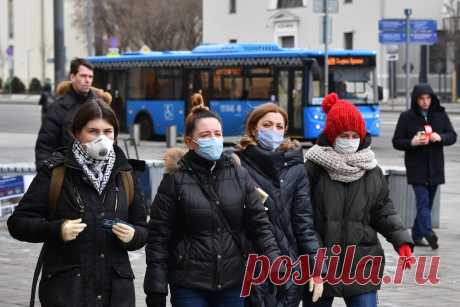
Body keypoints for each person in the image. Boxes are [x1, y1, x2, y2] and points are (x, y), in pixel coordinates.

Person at [8, 99, 148, 307]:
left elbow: (143, 229)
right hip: (67, 292)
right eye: (93, 131)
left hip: (115, 293)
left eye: (108, 131)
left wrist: (134, 236)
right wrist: (57, 229)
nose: (102, 138)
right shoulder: (56, 171)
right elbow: (18, 223)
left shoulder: (125, 173)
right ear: (76, 133)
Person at [144, 94, 280, 307]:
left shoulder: (238, 174)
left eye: (218, 134)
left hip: (233, 281)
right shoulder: (174, 180)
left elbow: (259, 224)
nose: (214, 139)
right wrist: (156, 287)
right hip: (189, 283)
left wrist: (273, 258)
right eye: (206, 135)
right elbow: (158, 239)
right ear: (190, 142)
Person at [303, 93, 414, 307]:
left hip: (362, 261)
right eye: (344, 135)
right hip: (321, 262)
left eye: (355, 135)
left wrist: (401, 241)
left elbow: (383, 210)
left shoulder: (372, 171)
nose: (350, 141)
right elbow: (303, 218)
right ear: (332, 134)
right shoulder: (312, 169)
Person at [235, 103, 323, 306]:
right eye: (267, 124)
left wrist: (317, 269)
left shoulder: (295, 167)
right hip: (249, 263)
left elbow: (303, 223)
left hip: (288, 265)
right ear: (254, 128)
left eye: (279, 126)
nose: (273, 130)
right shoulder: (237, 164)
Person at [392, 83, 457, 249]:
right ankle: (428, 233)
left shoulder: (440, 115)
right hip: (416, 168)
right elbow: (397, 141)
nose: (425, 102)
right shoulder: (407, 117)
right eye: (421, 98)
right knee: (423, 201)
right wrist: (412, 142)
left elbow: (452, 136)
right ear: (416, 99)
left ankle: (416, 234)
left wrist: (440, 137)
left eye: (428, 98)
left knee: (427, 204)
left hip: (435, 167)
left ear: (432, 98)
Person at [35, 58, 112, 167]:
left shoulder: (101, 107)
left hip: (98, 172)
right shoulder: (58, 108)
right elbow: (45, 147)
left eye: (90, 77)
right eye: (83, 76)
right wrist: (46, 176)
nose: (87, 80)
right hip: (67, 173)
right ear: (72, 77)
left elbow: (111, 143)